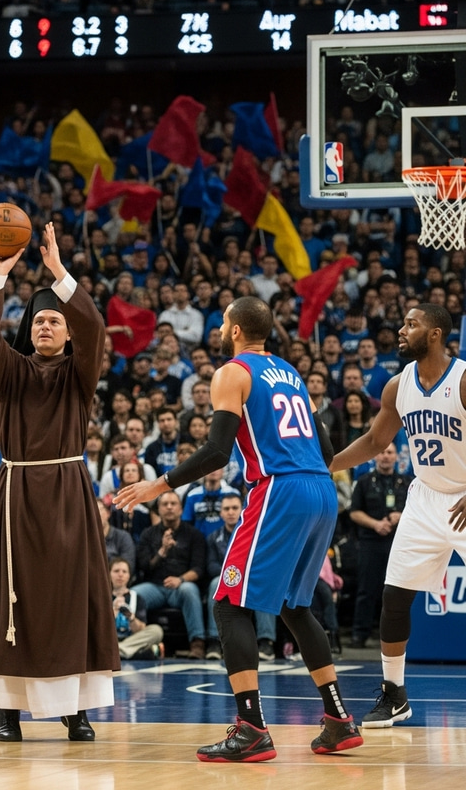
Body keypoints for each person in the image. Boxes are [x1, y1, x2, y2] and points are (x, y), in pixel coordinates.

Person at [114, 295, 362, 761]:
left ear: (232, 330)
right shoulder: (289, 372)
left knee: (228, 601)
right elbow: (326, 449)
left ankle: (251, 728)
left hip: (280, 490)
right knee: (294, 605)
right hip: (321, 491)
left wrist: (159, 484)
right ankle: (338, 720)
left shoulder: (233, 372)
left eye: (223, 322)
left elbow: (216, 451)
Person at [0, 221, 119, 742]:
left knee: (72, 597)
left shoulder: (81, 373)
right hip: (18, 493)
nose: (46, 328)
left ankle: (76, 711)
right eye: (38, 322)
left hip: (69, 493)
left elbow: (96, 328)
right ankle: (8, 710)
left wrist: (58, 273)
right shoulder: (9, 373)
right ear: (27, 330)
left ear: (67, 330)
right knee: (15, 597)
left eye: (55, 321)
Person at [330, 303, 466, 728]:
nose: (401, 330)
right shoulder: (397, 385)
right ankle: (395, 696)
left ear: (436, 334)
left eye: (412, 324)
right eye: (403, 322)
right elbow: (374, 441)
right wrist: (326, 465)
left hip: (465, 497)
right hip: (425, 498)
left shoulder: (463, 379)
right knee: (395, 598)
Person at [348, 443, 408, 649]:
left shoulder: (406, 483)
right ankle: (359, 634)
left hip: (398, 544)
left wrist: (401, 516)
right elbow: (354, 512)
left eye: (390, 452)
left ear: (396, 457)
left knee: (398, 591)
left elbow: (417, 511)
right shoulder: (364, 482)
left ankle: (396, 637)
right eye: (382, 452)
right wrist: (375, 524)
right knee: (366, 589)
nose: (385, 456)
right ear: (375, 456)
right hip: (370, 543)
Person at [132, 491, 207, 658]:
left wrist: (180, 579)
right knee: (134, 595)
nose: (169, 507)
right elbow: (144, 566)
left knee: (190, 590)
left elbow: (199, 569)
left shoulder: (193, 535)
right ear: (158, 509)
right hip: (155, 586)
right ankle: (133, 642)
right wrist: (162, 551)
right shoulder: (148, 534)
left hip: (180, 586)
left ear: (181, 509)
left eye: (173, 504)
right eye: (165, 504)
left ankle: (197, 643)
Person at [204, 493, 277, 661]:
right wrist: (233, 575)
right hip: (225, 579)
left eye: (235, 508)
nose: (230, 512)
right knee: (215, 584)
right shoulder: (214, 538)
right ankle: (215, 642)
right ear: (221, 513)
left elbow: (263, 561)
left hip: (251, 577)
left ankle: (266, 642)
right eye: (226, 509)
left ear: (243, 510)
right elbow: (211, 566)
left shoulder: (257, 532)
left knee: (263, 583)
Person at [110, 557, 164, 660]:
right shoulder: (102, 597)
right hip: (109, 640)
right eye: (116, 571)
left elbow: (141, 629)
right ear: (109, 574)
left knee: (156, 631)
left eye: (124, 571)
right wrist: (113, 613)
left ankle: (117, 651)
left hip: (131, 639)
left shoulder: (137, 598)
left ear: (129, 576)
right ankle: (130, 653)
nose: (120, 574)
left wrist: (131, 617)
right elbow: (97, 628)